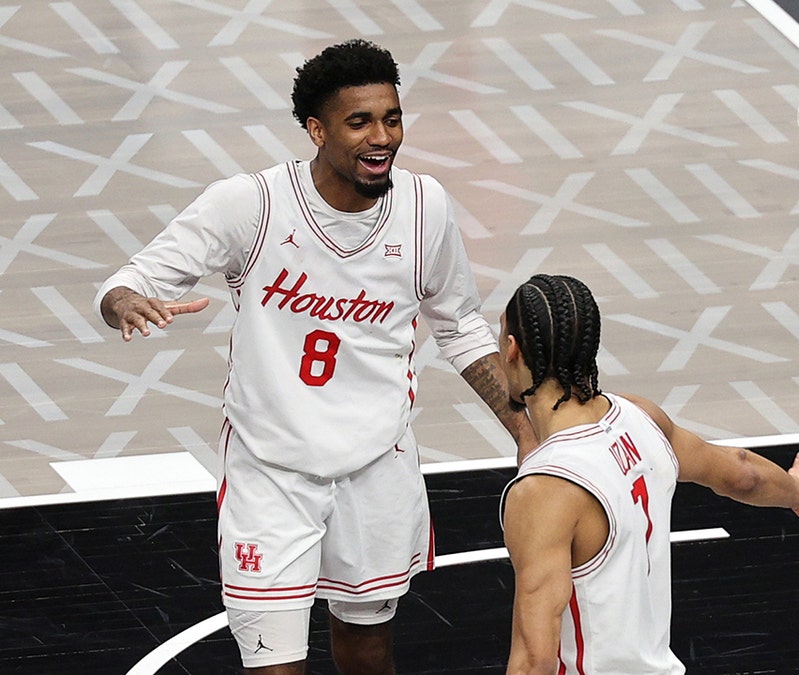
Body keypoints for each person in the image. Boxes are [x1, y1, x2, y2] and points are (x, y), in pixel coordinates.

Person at [93, 39, 535, 674]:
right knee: (275, 666)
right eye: (360, 122)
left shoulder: (424, 206)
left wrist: (524, 431)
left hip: (377, 468)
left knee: (366, 653)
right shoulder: (251, 205)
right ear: (316, 129)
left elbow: (459, 323)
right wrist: (127, 303)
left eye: (392, 117)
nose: (382, 136)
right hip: (270, 473)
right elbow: (123, 284)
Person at [495, 273, 799, 674]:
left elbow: (534, 660)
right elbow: (742, 473)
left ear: (512, 350)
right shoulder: (639, 416)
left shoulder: (544, 489)